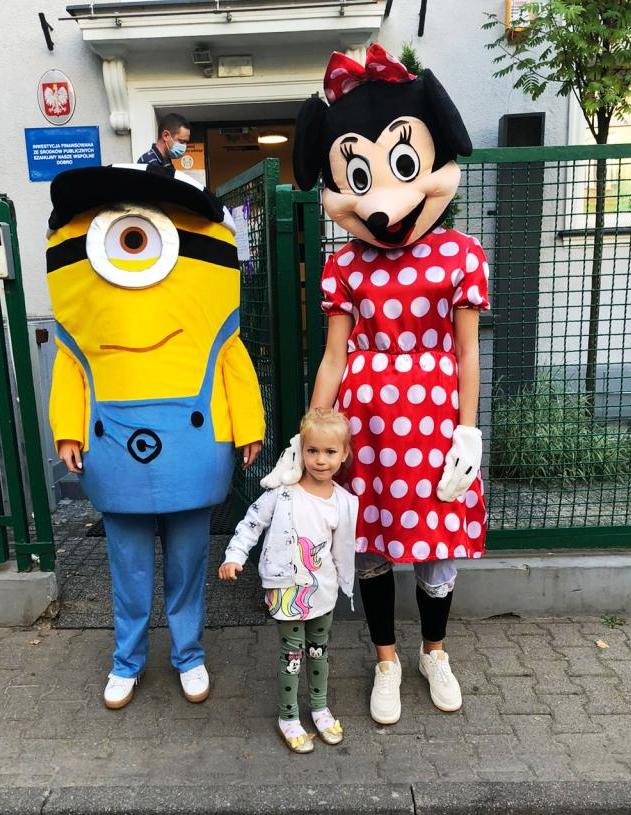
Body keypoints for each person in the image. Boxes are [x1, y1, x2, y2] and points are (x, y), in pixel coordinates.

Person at [284, 44, 490, 724]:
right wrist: (307, 436)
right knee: (371, 549)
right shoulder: (344, 265)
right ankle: (385, 660)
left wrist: (467, 431)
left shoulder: (460, 255)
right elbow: (333, 357)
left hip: (435, 431)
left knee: (435, 550)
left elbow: (467, 352)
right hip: (363, 433)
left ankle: (434, 652)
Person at [47, 164, 264, 709]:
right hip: (112, 452)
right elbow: (72, 365)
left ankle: (189, 655)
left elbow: (230, 355)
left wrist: (248, 427)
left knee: (189, 565)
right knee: (128, 568)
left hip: (192, 451)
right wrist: (68, 430)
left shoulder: (212, 310)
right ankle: (127, 660)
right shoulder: (84, 313)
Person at [219, 408, 358, 753]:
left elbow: (341, 549)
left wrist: (344, 582)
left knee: (319, 650)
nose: (321, 460)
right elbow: (252, 522)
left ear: (344, 454)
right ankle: (288, 716)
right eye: (313, 451)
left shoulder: (343, 502)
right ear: (301, 450)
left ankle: (320, 707)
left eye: (330, 451)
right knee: (292, 654)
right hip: (286, 590)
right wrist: (235, 555)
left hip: (322, 592)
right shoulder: (282, 494)